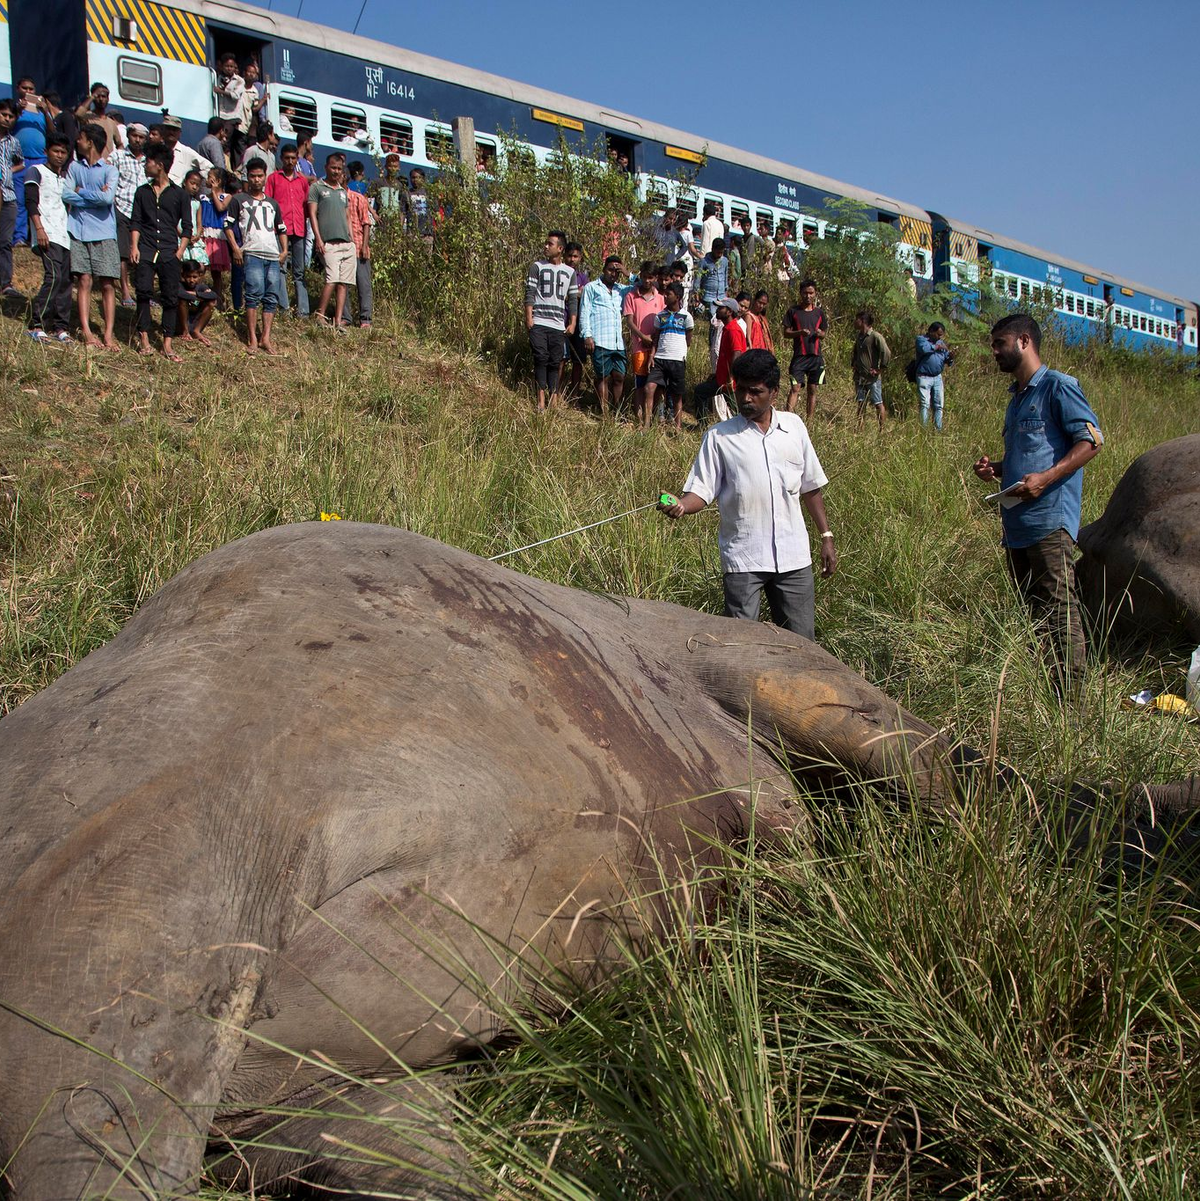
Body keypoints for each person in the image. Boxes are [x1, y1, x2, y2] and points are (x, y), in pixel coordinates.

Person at [660, 348, 836, 641]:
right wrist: (680, 505)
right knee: (741, 646)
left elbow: (810, 487)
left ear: (775, 392)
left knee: (801, 644)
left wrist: (826, 536)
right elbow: (700, 492)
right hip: (744, 560)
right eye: (740, 389)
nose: (745, 398)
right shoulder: (719, 437)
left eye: (755, 391)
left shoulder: (794, 428)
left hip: (794, 559)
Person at [973, 314, 1103, 698]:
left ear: (1024, 341)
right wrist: (996, 469)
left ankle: (1073, 709)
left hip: (1049, 523)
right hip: (1017, 526)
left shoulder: (1058, 388)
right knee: (1035, 618)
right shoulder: (1017, 399)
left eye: (1000, 343)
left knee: (1061, 615)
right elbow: (1030, 454)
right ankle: (1046, 694)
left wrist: (1046, 479)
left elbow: (1092, 441)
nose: (994, 351)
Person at [129, 144, 191, 361]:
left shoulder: (179, 194)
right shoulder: (142, 192)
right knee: (144, 292)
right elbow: (135, 221)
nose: (146, 165)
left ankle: (167, 343)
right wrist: (134, 246)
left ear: (160, 165)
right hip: (146, 248)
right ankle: (144, 338)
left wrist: (180, 250)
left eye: (149, 162)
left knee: (170, 297)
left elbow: (188, 226)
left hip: (169, 251)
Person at [225, 157, 287, 354]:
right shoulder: (239, 200)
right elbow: (227, 225)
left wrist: (284, 250)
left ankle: (265, 337)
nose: (256, 180)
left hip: (272, 254)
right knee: (253, 293)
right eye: (252, 176)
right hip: (252, 252)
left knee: (271, 296)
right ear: (247, 177)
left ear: (265, 177)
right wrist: (236, 248)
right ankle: (252, 337)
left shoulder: (272, 204)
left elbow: (281, 228)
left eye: (260, 176)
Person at [66, 123, 120, 350]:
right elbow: (67, 195)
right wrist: (94, 196)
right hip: (79, 230)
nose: (77, 141)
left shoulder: (110, 169)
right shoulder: (74, 167)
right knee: (84, 280)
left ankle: (108, 334)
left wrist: (82, 192)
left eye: (81, 138)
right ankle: (87, 331)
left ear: (90, 142)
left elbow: (108, 200)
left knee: (107, 283)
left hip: (105, 232)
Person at [24, 132, 73, 343]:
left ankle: (60, 327)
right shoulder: (36, 171)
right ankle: (38, 324)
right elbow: (31, 202)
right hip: (47, 232)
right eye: (56, 151)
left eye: (63, 152)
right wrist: (39, 228)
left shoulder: (65, 179)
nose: (59, 155)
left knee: (66, 281)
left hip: (64, 234)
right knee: (53, 277)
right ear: (47, 152)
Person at [524, 230, 579, 411]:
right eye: (546, 243)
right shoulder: (537, 267)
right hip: (539, 322)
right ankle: (540, 401)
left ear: (560, 248)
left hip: (557, 324)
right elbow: (530, 293)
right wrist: (529, 318)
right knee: (540, 358)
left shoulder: (569, 272)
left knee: (555, 362)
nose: (546, 247)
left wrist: (572, 322)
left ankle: (554, 401)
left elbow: (572, 299)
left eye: (550, 244)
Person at [307, 153, 354, 329]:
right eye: (333, 168)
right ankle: (320, 314)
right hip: (328, 242)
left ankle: (338, 320)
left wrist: (352, 240)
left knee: (343, 283)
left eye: (339, 169)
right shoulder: (317, 188)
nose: (336, 171)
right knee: (331, 278)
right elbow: (312, 214)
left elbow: (347, 215)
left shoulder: (343, 191)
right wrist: (318, 238)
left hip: (346, 243)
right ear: (326, 167)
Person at [579, 254, 629, 418]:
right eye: (610, 270)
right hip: (600, 339)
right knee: (602, 376)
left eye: (616, 271)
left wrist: (628, 273)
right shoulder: (592, 288)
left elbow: (644, 285)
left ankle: (617, 411)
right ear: (604, 269)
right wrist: (587, 335)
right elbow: (584, 312)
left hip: (617, 343)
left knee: (619, 376)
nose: (613, 274)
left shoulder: (621, 290)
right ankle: (604, 413)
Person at [266, 143, 310, 316]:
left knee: (299, 271)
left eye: (293, 158)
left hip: (299, 228)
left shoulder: (302, 181)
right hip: (280, 229)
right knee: (281, 268)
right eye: (287, 158)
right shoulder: (273, 178)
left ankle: (303, 311)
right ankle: (284, 308)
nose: (290, 161)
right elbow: (269, 203)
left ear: (297, 159)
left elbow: (306, 205)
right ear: (281, 159)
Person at [646, 282, 693, 433]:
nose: (665, 296)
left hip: (677, 359)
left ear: (677, 297)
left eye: (668, 294)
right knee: (650, 387)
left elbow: (688, 340)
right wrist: (652, 355)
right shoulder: (660, 316)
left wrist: (681, 353)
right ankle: (647, 424)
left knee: (676, 394)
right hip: (660, 358)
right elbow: (656, 338)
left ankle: (677, 427)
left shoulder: (686, 317)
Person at [109, 121, 147, 306]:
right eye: (134, 136)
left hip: (142, 213)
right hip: (122, 207)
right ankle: (124, 291)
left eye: (141, 137)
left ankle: (142, 293)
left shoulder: (148, 161)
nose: (137, 140)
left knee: (142, 253)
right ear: (128, 136)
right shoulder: (117, 156)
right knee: (124, 253)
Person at [623, 259, 664, 424]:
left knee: (655, 383)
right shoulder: (631, 296)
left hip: (656, 348)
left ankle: (656, 415)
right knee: (640, 383)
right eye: (645, 277)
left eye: (651, 277)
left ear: (655, 278)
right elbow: (630, 321)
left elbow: (662, 322)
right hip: (639, 347)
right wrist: (642, 336)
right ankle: (639, 416)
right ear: (640, 275)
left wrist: (653, 341)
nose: (647, 281)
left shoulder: (660, 298)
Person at [782, 279, 827, 419]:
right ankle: (787, 419)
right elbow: (786, 333)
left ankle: (810, 421)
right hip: (799, 357)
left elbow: (824, 333)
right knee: (795, 388)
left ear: (815, 294)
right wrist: (799, 333)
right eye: (805, 293)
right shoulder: (793, 311)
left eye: (811, 293)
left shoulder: (819, 313)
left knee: (812, 389)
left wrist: (821, 334)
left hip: (815, 357)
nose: (808, 296)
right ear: (800, 293)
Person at [13, 77, 49, 245]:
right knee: (19, 200)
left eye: (31, 89)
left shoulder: (41, 112)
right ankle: (19, 237)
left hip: (40, 159)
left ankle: (38, 237)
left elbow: (52, 130)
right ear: (18, 89)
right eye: (25, 88)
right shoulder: (13, 110)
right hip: (19, 161)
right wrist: (17, 112)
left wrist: (46, 110)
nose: (28, 92)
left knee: (39, 200)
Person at [0, 99, 24, 299]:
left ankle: (5, 283)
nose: (7, 119)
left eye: (10, 116)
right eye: (4, 115)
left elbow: (21, 163)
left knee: (5, 240)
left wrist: (8, 170)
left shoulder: (14, 142)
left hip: (7, 195)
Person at [852, 310, 891, 431]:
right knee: (860, 403)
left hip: (872, 378)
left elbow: (886, 352)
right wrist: (853, 364)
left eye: (856, 319)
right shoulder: (860, 336)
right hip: (859, 377)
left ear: (862, 321)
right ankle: (860, 428)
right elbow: (855, 352)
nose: (855, 322)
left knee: (878, 403)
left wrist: (880, 369)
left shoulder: (875, 336)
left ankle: (882, 429)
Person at [694, 237, 730, 368]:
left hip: (721, 296)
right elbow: (698, 279)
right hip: (709, 298)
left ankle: (719, 345)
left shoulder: (725, 261)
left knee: (722, 323)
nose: (719, 255)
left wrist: (726, 292)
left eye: (721, 252)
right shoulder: (704, 262)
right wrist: (697, 297)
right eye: (717, 252)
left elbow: (726, 276)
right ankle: (712, 345)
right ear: (713, 249)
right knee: (713, 322)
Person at [200, 166, 233, 307]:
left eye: (210, 177)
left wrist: (213, 192)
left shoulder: (227, 197)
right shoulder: (203, 198)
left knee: (216, 272)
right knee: (201, 267)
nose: (207, 180)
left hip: (218, 236)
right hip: (205, 234)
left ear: (218, 181)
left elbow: (220, 208)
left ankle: (218, 298)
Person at [345, 181, 375, 328]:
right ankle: (345, 317)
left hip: (358, 247)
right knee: (342, 284)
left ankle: (366, 319)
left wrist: (364, 246)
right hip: (341, 248)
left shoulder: (358, 198)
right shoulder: (334, 198)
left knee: (363, 284)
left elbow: (366, 223)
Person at [914, 321, 953, 430]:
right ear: (931, 331)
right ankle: (924, 429)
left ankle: (938, 428)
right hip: (924, 377)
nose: (939, 337)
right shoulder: (921, 340)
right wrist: (937, 347)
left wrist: (950, 358)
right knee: (925, 404)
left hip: (937, 377)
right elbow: (924, 349)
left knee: (938, 405)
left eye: (941, 335)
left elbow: (947, 359)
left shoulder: (941, 343)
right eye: (938, 334)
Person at [563, 241, 589, 397]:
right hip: (560, 321)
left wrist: (571, 295)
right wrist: (575, 294)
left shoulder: (583, 278)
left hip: (578, 323)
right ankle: (557, 394)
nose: (572, 259)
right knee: (560, 359)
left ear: (580, 258)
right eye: (569, 256)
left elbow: (584, 294)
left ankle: (575, 396)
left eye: (575, 256)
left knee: (578, 360)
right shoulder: (559, 274)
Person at [176, 256, 218, 346]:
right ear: (183, 275)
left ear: (200, 276)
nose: (191, 280)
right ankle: (185, 331)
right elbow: (179, 293)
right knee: (182, 300)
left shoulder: (201, 287)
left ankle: (196, 331)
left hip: (194, 322)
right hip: (179, 323)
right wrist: (200, 298)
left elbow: (213, 295)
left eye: (194, 277)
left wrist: (194, 294)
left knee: (211, 303)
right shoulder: (179, 285)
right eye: (188, 276)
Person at [74, 82, 123, 158]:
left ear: (107, 99)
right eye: (98, 96)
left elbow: (120, 144)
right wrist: (93, 96)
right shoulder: (88, 117)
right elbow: (78, 114)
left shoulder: (111, 123)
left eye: (103, 96)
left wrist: (116, 159)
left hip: (106, 164)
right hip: (91, 162)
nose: (101, 99)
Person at [161, 113, 212, 186]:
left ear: (180, 133)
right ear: (163, 130)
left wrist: (194, 179)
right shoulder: (156, 150)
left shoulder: (186, 152)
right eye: (168, 129)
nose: (171, 132)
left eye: (174, 130)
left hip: (177, 195)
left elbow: (209, 168)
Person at [374, 152, 406, 217]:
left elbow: (402, 207)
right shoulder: (379, 182)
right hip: (382, 220)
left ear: (398, 168)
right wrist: (374, 213)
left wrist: (400, 223)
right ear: (386, 167)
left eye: (395, 166)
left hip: (395, 222)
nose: (392, 169)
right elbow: (365, 198)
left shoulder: (399, 185)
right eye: (390, 166)